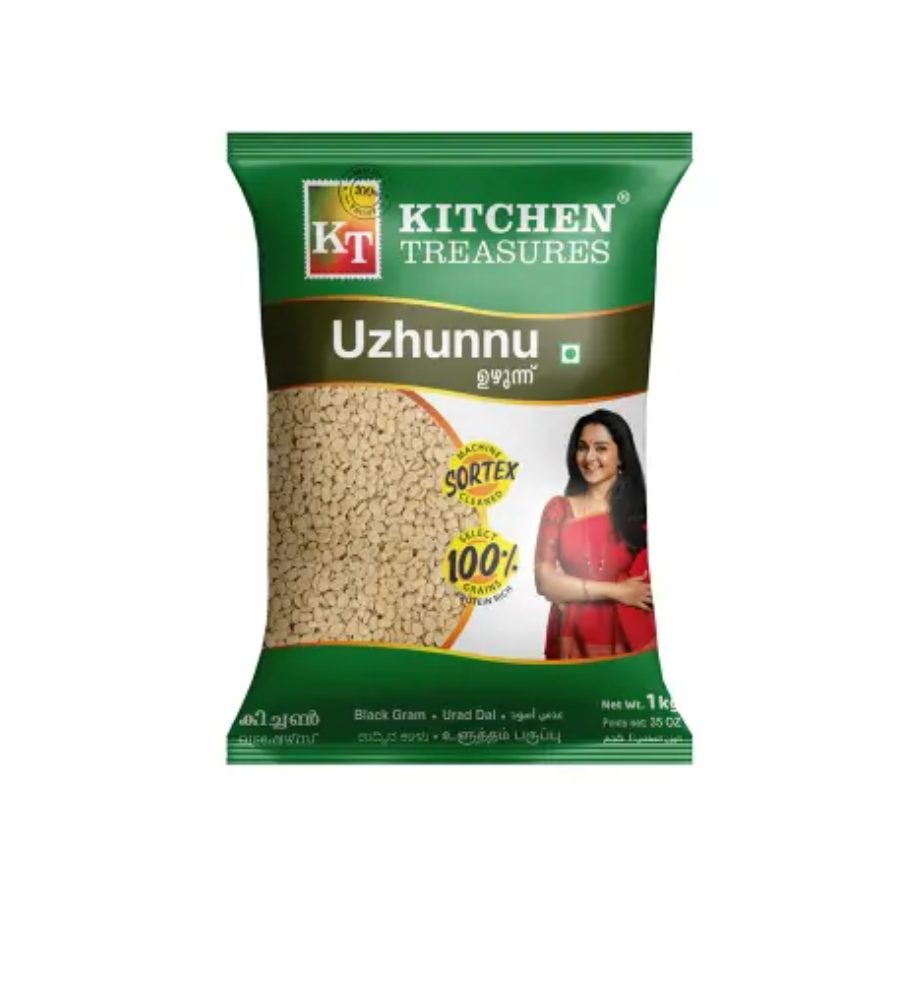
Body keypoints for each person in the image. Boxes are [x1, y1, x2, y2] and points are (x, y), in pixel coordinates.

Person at [534, 409, 657, 659]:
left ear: (621, 456)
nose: (589, 457)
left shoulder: (644, 514)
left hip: (628, 642)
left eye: (601, 448)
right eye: (582, 447)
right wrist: (618, 591)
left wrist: (569, 588)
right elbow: (545, 581)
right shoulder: (559, 509)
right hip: (572, 638)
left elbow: (648, 588)